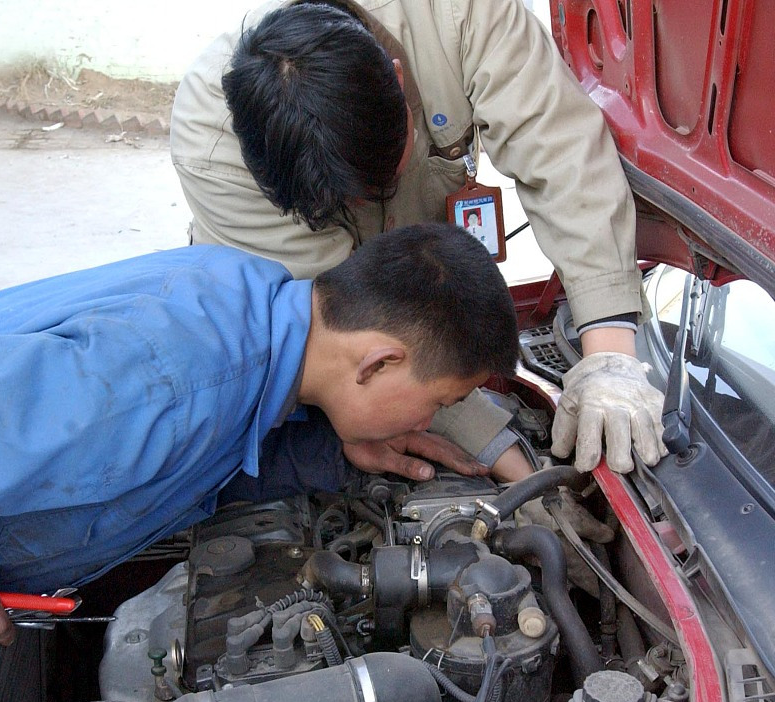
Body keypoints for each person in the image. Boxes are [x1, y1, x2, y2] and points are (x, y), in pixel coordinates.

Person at [0, 224, 519, 668]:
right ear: (379, 362)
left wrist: (331, 451)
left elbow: (200, 464)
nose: (429, 418)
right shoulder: (171, 383)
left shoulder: (246, 298)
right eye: (439, 401)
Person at [169, 0, 665, 478]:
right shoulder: (213, 149)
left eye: (385, 181)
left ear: (399, 77)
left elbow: (562, 161)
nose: (367, 209)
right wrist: (498, 449)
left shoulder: (463, 13)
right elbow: (340, 344)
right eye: (340, 209)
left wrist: (609, 356)